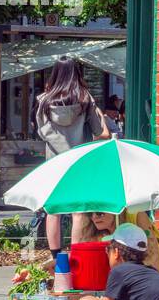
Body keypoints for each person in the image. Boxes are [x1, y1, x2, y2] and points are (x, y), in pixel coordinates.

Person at [35, 56, 110, 261]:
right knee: (78, 212)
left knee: (53, 211)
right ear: (76, 73)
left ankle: (56, 257)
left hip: (54, 163)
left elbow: (42, 134)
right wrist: (100, 117)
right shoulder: (85, 99)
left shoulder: (43, 102)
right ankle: (76, 256)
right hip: (80, 162)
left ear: (56, 73)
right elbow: (102, 134)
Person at [71, 209, 159, 281]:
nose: (94, 217)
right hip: (129, 285)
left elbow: (152, 256)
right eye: (90, 213)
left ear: (115, 210)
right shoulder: (97, 233)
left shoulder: (136, 215)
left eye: (100, 213)